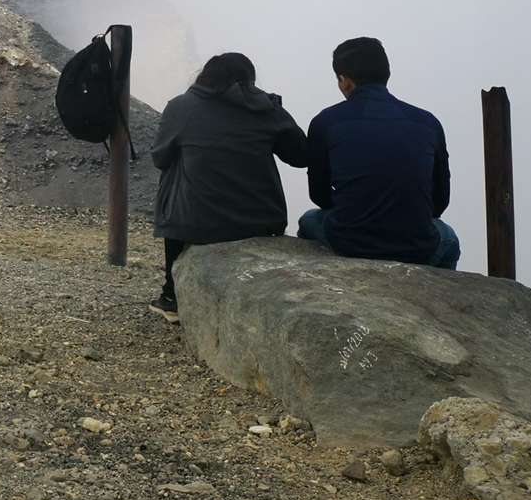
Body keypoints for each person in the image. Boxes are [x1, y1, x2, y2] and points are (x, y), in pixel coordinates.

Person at [147, 53, 310, 322]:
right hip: (262, 222)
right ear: (249, 81)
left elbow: (159, 158)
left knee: (175, 172)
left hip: (198, 226)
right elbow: (301, 156)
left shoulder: (181, 107)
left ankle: (172, 295)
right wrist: (277, 113)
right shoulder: (267, 108)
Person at [298, 37, 459, 269]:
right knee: (449, 237)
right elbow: (440, 201)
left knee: (309, 220)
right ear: (386, 73)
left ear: (344, 81)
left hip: (348, 242)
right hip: (418, 247)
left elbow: (320, 196)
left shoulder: (325, 122)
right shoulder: (428, 122)